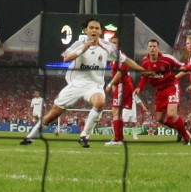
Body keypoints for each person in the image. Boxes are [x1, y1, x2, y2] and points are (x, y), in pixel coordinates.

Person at [20, 19, 145, 147]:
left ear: (101, 31)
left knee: (99, 102)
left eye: (97, 28)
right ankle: (30, 137)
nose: (94, 30)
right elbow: (66, 58)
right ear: (86, 30)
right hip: (76, 84)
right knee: (53, 114)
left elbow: (126, 60)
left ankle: (84, 136)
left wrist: (143, 70)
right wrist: (83, 49)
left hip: (94, 85)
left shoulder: (107, 47)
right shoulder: (78, 44)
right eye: (91, 28)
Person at [135, 38, 191, 144]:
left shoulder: (167, 59)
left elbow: (181, 65)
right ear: (147, 48)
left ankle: (187, 138)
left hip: (171, 87)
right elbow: (144, 76)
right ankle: (182, 128)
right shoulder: (145, 61)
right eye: (150, 46)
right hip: (159, 91)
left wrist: (187, 67)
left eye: (154, 46)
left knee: (171, 114)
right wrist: (139, 87)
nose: (152, 49)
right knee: (160, 119)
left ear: (158, 48)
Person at [105, 33, 138, 145]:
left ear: (119, 46)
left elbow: (120, 72)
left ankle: (117, 139)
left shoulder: (121, 56)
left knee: (116, 111)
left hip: (123, 85)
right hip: (120, 85)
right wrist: (114, 85)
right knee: (116, 111)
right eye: (111, 43)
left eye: (115, 43)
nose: (112, 45)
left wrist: (110, 84)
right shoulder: (112, 58)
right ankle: (119, 138)